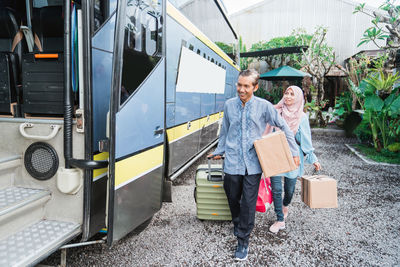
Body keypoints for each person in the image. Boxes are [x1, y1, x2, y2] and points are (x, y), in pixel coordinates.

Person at [208, 69, 300, 261]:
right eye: (239, 85)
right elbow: (225, 132)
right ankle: (238, 224)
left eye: (246, 86)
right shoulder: (229, 105)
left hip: (253, 164)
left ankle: (243, 240)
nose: (241, 89)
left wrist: (293, 151)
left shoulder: (264, 107)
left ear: (255, 87)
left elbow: (283, 126)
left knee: (249, 203)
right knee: (233, 198)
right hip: (232, 161)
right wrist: (219, 151)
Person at [264, 85, 321, 234]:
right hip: (276, 154)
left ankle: (285, 204)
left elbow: (306, 139)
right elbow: (266, 131)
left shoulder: (302, 117)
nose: (288, 96)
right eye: (286, 93)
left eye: (292, 94)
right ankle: (279, 219)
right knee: (276, 189)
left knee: (289, 190)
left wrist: (313, 158)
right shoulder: (277, 112)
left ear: (298, 98)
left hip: (293, 156)